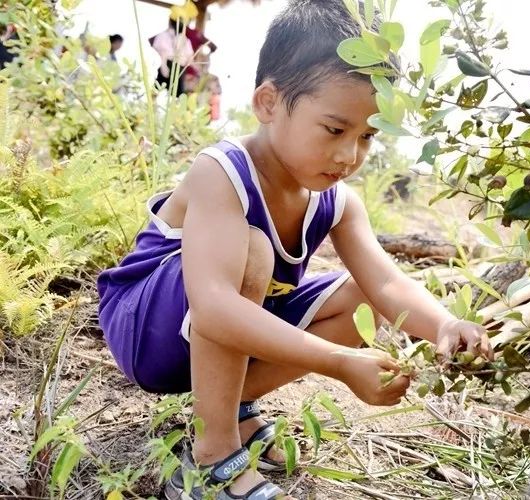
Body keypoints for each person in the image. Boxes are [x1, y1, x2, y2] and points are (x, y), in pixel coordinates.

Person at [96, 1, 494, 498]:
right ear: (268, 103)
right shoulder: (221, 173)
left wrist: (444, 326)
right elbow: (216, 309)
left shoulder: (337, 202)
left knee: (367, 300)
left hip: (216, 331)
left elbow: (387, 282)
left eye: (367, 136)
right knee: (256, 251)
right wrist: (340, 363)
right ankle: (211, 458)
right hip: (148, 331)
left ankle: (227, 405)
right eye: (334, 129)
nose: (349, 155)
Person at [150, 17, 193, 96]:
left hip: (178, 68)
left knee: (175, 95)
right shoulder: (164, 35)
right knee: (159, 92)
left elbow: (189, 58)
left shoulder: (185, 39)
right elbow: (162, 52)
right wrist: (163, 66)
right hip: (167, 65)